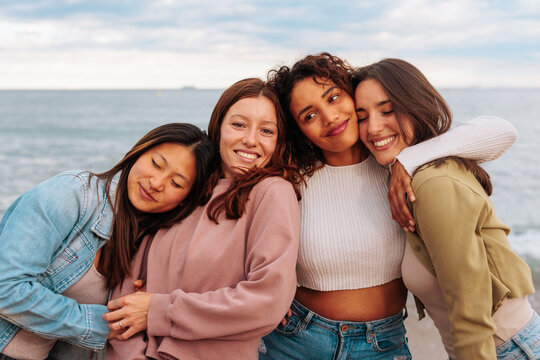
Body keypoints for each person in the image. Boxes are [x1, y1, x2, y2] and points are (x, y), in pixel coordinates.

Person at [259, 53, 518, 359]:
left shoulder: (397, 167)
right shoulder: (289, 180)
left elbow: (501, 131)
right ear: (299, 129)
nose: (328, 117)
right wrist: (265, 291)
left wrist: (408, 160)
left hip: (382, 344)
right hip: (296, 341)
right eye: (309, 115)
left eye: (333, 97)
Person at [104, 78, 302, 360]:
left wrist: (159, 310)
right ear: (218, 126)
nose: (250, 139)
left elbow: (266, 301)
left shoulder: (271, 193)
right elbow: (126, 291)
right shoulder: (185, 184)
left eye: (267, 130)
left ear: (279, 141)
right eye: (238, 124)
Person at [353, 58, 538, 359]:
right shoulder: (401, 176)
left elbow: (471, 306)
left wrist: (408, 159)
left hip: (507, 349)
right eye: (362, 117)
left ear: (415, 105)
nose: (374, 127)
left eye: (388, 110)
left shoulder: (431, 183)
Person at [0, 123, 216, 360]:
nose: (156, 183)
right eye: (156, 164)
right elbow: (6, 287)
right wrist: (99, 324)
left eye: (176, 183)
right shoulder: (72, 194)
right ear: (138, 152)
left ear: (185, 200)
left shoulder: (147, 242)